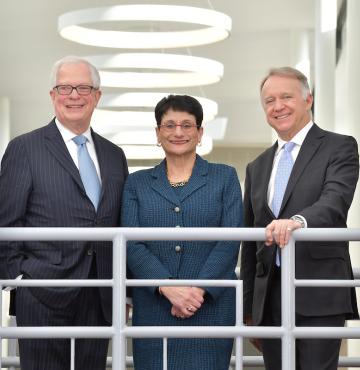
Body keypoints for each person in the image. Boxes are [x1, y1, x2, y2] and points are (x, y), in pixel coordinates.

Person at [0, 56, 128, 370]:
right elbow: (5, 220)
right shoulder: (25, 148)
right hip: (42, 294)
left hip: (99, 296)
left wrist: (122, 290)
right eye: (64, 87)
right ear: (52, 95)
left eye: (83, 87)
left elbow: (118, 222)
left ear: (97, 96)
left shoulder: (114, 155)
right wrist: (20, 279)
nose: (74, 95)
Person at [240, 66, 359, 370]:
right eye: (269, 101)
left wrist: (297, 221)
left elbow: (335, 202)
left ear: (308, 100)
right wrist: (250, 308)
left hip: (318, 290)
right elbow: (250, 238)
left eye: (286, 97)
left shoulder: (339, 146)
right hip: (270, 301)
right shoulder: (257, 166)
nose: (277, 106)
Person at [121, 94, 243, 370]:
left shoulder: (225, 177)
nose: (178, 132)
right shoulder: (136, 183)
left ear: (200, 133)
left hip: (210, 306)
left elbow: (231, 238)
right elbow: (131, 243)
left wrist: (196, 290)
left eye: (187, 125)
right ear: (157, 133)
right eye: (170, 125)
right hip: (154, 307)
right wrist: (168, 287)